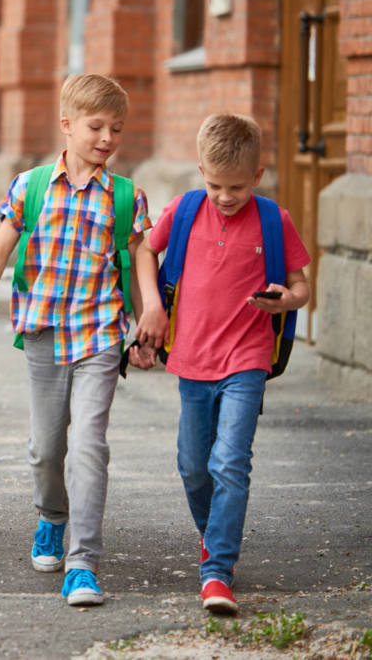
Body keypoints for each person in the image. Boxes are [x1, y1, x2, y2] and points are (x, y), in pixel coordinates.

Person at [0, 74, 151, 606]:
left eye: (116, 129)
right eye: (96, 126)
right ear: (67, 125)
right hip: (45, 331)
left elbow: (139, 256)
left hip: (100, 333)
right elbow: (1, 245)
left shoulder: (126, 197)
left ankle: (83, 561)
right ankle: (51, 516)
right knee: (46, 449)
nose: (106, 138)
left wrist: (151, 318)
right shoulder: (28, 187)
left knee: (89, 447)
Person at [135, 113, 310, 615]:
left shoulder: (274, 221)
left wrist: (287, 300)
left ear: (257, 176)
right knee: (193, 466)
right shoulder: (185, 211)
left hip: (247, 359)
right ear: (200, 171)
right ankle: (214, 534)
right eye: (214, 185)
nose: (225, 196)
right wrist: (151, 306)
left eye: (236, 186)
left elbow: (301, 287)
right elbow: (146, 252)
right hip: (191, 359)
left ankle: (217, 572)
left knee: (230, 461)